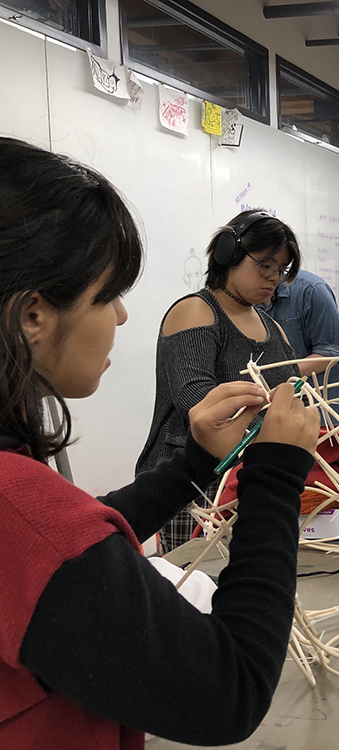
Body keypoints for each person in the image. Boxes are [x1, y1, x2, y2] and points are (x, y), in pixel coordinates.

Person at [0, 137, 320, 747]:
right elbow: (230, 690)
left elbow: (71, 554)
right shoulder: (19, 513)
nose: (121, 317)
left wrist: (196, 462)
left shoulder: (31, 514)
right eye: (108, 295)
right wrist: (275, 474)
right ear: (31, 316)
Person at [136, 210, 304, 551]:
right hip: (192, 480)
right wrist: (272, 425)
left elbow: (294, 393)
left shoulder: (273, 328)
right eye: (265, 265)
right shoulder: (196, 311)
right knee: (193, 582)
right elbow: (197, 401)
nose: (273, 278)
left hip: (249, 475)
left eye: (280, 270)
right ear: (230, 255)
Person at [258, 268, 339, 419]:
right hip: (278, 400)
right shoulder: (244, 299)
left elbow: (328, 355)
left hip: (324, 401)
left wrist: (276, 376)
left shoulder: (312, 290)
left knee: (324, 440)